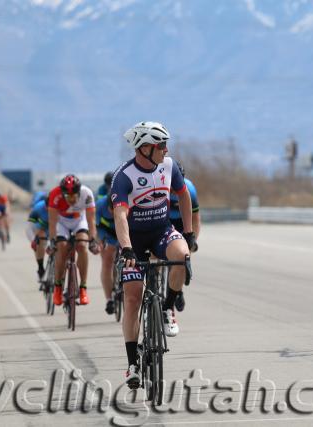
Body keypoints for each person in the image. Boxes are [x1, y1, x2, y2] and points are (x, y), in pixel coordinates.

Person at [111, 121, 195, 388]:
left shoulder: (169, 166)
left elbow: (183, 196)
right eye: (161, 145)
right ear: (145, 148)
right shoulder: (124, 177)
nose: (166, 150)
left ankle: (169, 307)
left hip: (161, 231)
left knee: (182, 255)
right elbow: (120, 215)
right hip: (133, 239)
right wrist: (126, 249)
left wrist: (189, 233)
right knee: (133, 296)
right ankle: (132, 364)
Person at [46, 174, 99, 306]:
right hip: (61, 222)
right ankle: (58, 287)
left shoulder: (87, 194)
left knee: (82, 246)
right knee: (62, 248)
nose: (71, 200)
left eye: (74, 197)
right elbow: (52, 222)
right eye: (67, 197)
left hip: (79, 221)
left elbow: (91, 221)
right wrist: (53, 241)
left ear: (78, 192)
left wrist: (92, 240)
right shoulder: (55, 194)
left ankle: (83, 288)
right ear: (62, 193)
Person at [168, 161, 201, 312]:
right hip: (165, 221)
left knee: (184, 250)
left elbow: (195, 219)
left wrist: (193, 240)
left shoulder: (190, 190)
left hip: (183, 222)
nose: (174, 188)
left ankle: (178, 290)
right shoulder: (160, 187)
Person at [95, 171, 119, 315]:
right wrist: (99, 242)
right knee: (107, 260)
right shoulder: (100, 202)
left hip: (122, 228)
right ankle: (109, 299)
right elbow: (95, 228)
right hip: (106, 231)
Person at [26, 199, 49, 282]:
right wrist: (33, 240)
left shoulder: (61, 207)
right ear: (45, 206)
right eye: (48, 209)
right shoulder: (37, 209)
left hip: (56, 226)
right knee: (40, 240)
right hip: (41, 226)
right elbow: (29, 227)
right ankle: (40, 268)